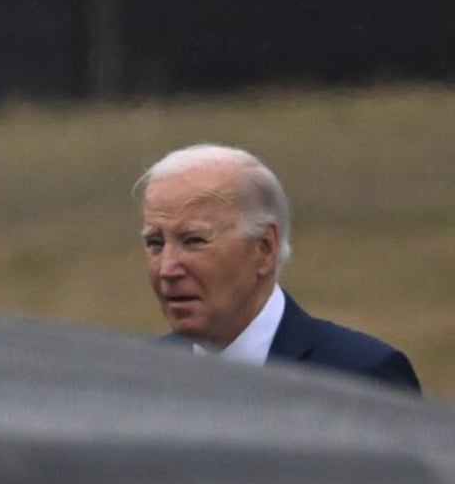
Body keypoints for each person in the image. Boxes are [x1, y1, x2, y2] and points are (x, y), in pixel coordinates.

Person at [135, 143, 420, 392]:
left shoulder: (361, 378)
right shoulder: (140, 379)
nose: (167, 270)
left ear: (264, 248)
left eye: (194, 241)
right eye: (155, 243)